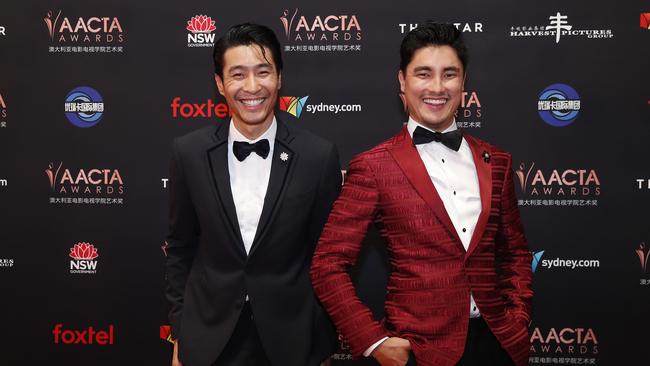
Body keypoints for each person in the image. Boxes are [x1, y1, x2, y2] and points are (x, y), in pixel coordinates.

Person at [310, 22, 533, 366]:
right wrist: (373, 341)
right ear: (402, 80)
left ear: (463, 82)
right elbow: (327, 265)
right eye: (424, 74)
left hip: (498, 345)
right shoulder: (373, 166)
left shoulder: (496, 161)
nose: (437, 87)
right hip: (419, 351)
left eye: (449, 74)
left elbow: (515, 253)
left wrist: (517, 321)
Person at [164, 23, 340, 366]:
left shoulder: (318, 156)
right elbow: (180, 248)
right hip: (208, 340)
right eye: (238, 74)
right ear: (219, 84)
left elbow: (328, 259)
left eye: (263, 72)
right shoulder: (188, 153)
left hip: (293, 342)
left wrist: (319, 342)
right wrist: (181, 331)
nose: (252, 87)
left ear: (280, 78)